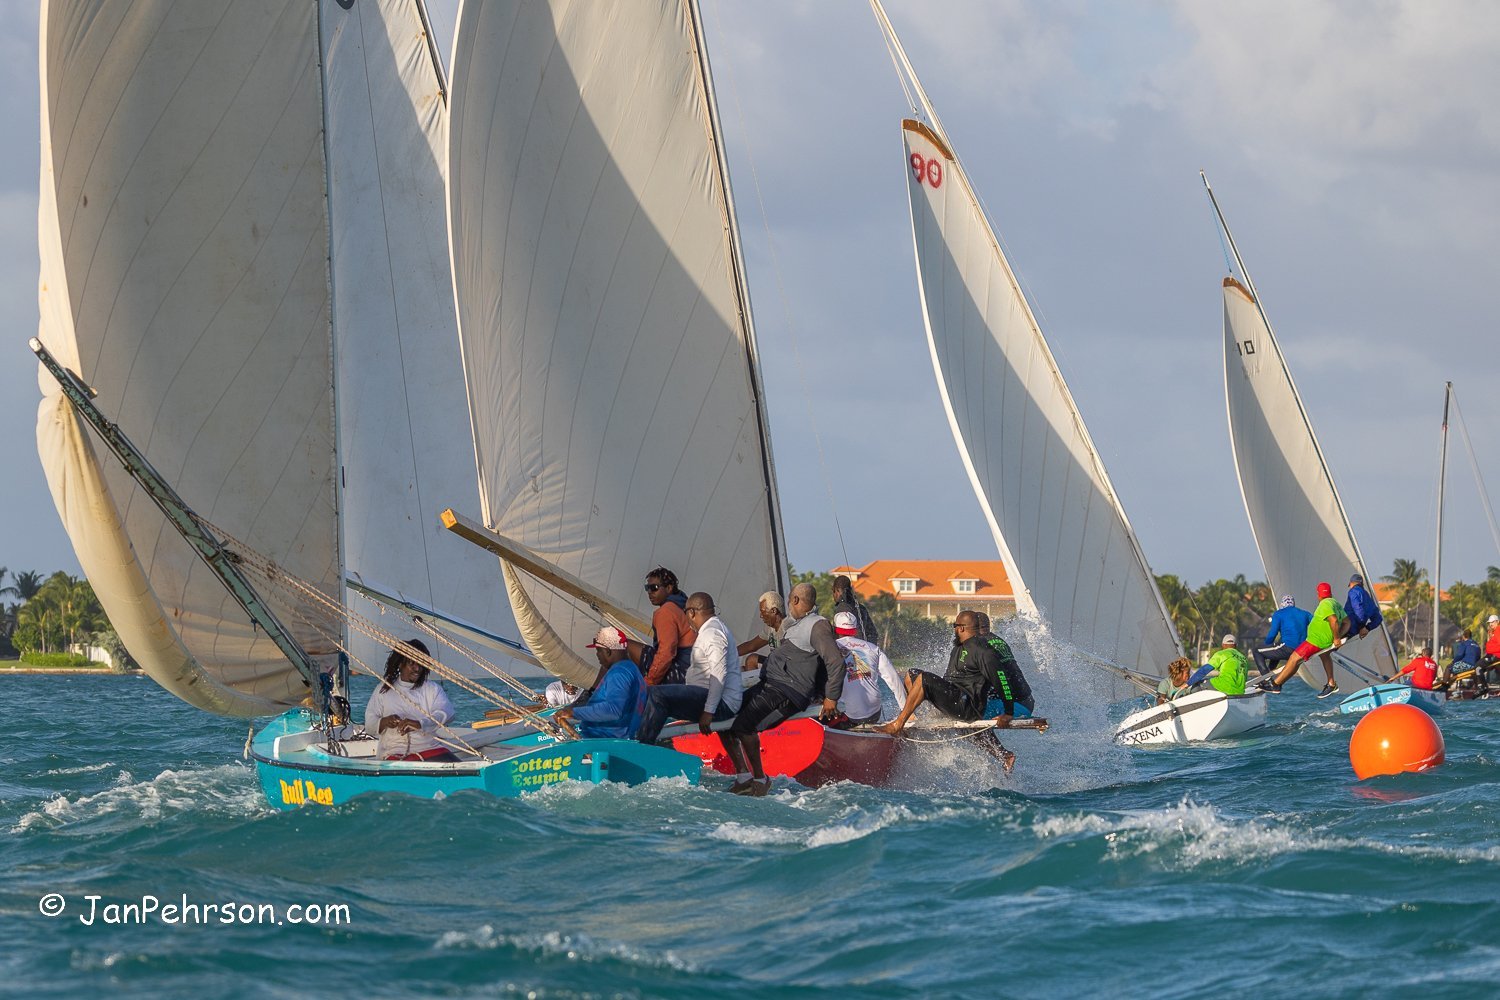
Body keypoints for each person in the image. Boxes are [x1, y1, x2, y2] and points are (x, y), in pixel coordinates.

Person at [719, 582, 844, 797]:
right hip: (769, 685)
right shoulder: (796, 625)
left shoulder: (817, 625)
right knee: (723, 716)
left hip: (786, 692)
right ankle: (743, 777)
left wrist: (830, 698)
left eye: (789, 600)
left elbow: (834, 662)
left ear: (795, 601)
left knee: (743, 726)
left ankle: (760, 780)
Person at [635, 593, 743, 744]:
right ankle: (641, 740)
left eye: (685, 613)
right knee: (655, 698)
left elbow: (719, 673)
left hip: (721, 705)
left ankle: (641, 746)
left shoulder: (712, 633)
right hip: (711, 699)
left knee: (657, 694)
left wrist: (709, 711)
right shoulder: (711, 629)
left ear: (691, 612)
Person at [876, 610, 995, 735]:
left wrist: (1008, 712)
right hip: (955, 697)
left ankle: (898, 724)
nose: (954, 630)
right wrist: (939, 693)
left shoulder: (984, 650)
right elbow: (951, 677)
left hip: (967, 707)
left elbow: (998, 679)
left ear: (962, 629)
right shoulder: (958, 648)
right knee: (912, 674)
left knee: (924, 678)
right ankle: (913, 720)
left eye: (955, 626)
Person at [363, 639, 460, 762]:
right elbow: (370, 725)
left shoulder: (432, 688)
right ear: (400, 664)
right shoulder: (383, 689)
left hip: (429, 748)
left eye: (420, 664)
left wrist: (420, 724)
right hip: (395, 752)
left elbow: (447, 712)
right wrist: (385, 721)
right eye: (412, 664)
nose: (417, 669)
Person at [556, 627, 648, 739]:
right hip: (607, 739)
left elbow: (613, 710)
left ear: (608, 651)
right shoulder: (630, 669)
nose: (597, 655)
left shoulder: (619, 674)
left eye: (598, 651)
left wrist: (573, 712)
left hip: (605, 742)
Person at [1265, 581, 1349, 697]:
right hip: (1322, 640)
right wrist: (1338, 636)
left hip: (1316, 641)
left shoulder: (1325, 604)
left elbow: (1333, 620)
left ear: (1318, 594)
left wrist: (1337, 638)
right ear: (1330, 593)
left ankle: (1275, 684)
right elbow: (1347, 622)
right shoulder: (1335, 603)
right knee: (1324, 656)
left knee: (1294, 658)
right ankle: (1331, 683)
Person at [831, 610, 904, 725]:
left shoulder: (829, 649)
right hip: (874, 713)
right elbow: (894, 680)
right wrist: (906, 712)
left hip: (846, 714)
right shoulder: (873, 648)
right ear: (855, 630)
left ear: (835, 629)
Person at [627, 567, 696, 686]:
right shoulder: (684, 604)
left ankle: (596, 691)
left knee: (619, 644)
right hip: (692, 670)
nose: (649, 592)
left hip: (679, 673)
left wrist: (650, 682)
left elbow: (666, 652)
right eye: (647, 588)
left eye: (654, 588)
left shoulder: (666, 611)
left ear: (669, 588)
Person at [974, 611, 1036, 723]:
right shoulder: (998, 640)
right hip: (1027, 703)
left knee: (967, 716)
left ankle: (989, 742)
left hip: (1014, 707)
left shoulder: (980, 644)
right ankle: (990, 741)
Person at [1255, 595, 1313, 677]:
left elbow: (1273, 634)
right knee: (1278, 644)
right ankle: (1270, 670)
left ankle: (1266, 679)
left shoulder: (1279, 614)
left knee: (1257, 651)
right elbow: (1317, 624)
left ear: (1282, 604)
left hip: (1288, 649)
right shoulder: (1305, 614)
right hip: (1302, 651)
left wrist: (1266, 645)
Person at [736, 591, 787, 670]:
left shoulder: (789, 628)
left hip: (788, 670)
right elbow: (751, 646)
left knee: (751, 661)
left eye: (763, 611)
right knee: (746, 665)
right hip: (777, 665)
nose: (761, 616)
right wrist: (728, 653)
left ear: (774, 611)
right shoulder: (770, 628)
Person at [831, 574, 878, 644]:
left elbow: (840, 637)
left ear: (837, 590)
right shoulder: (861, 608)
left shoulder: (841, 608)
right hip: (863, 649)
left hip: (848, 650)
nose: (833, 595)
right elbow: (873, 634)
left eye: (833, 591)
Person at [1344, 573, 1384, 640]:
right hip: (1355, 631)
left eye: (1350, 585)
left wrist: (1361, 624)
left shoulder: (1353, 591)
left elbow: (1358, 610)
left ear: (1351, 583)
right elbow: (1378, 618)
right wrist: (1367, 628)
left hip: (1346, 627)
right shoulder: (1369, 598)